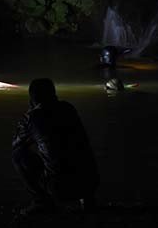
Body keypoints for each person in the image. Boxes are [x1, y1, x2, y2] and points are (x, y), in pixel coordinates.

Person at [12, 78, 99, 215]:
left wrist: (30, 115)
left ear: (32, 98)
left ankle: (41, 202)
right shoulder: (68, 108)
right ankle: (87, 199)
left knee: (18, 155)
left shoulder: (32, 117)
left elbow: (16, 144)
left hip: (60, 189)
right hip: (90, 183)